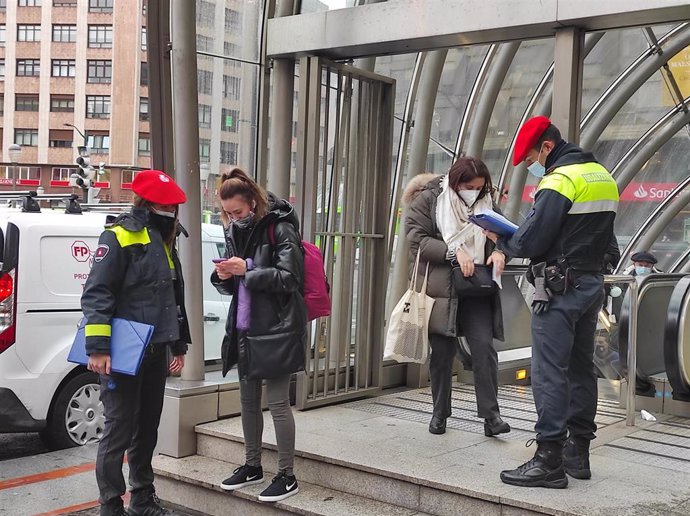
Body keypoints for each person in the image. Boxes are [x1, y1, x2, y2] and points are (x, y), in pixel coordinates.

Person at [486, 116, 619, 489]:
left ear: (546, 147)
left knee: (548, 372)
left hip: (558, 290)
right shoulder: (602, 177)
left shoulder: (560, 180)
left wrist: (501, 240)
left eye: (531, 159)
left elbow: (530, 242)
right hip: (590, 285)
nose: (533, 167)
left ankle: (548, 459)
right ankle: (578, 453)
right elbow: (609, 244)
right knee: (581, 369)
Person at [81, 170, 190, 516]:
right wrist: (98, 348)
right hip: (124, 352)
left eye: (174, 205)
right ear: (148, 203)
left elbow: (173, 298)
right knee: (118, 430)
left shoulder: (165, 240)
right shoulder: (119, 236)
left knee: (147, 428)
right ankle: (111, 505)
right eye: (165, 203)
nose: (171, 209)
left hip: (156, 349)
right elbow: (97, 293)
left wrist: (179, 345)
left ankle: (142, 497)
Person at [211, 168, 306, 503]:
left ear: (253, 201)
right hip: (245, 325)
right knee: (248, 401)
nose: (232, 217)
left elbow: (290, 278)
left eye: (237, 211)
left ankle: (287, 474)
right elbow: (236, 283)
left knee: (278, 402)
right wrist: (223, 274)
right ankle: (252, 465)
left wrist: (247, 270)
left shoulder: (281, 228)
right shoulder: (236, 230)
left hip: (278, 326)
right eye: (227, 213)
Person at [404, 156, 510, 438]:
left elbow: (504, 236)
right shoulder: (430, 200)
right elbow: (416, 240)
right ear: (456, 183)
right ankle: (440, 412)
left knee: (484, 349)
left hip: (478, 286)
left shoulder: (487, 201)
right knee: (441, 353)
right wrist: (453, 252)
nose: (475, 191)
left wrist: (500, 252)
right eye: (469, 186)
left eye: (480, 186)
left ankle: (491, 416)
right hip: (442, 288)